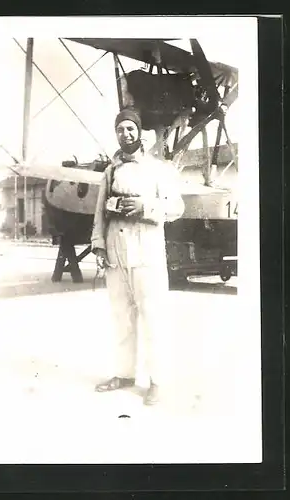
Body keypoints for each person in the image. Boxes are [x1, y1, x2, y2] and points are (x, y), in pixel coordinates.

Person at [91, 108, 185, 405]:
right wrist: (99, 245)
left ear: (139, 132)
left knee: (153, 318)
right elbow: (98, 213)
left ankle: (157, 381)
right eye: (121, 129)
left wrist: (145, 207)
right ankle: (124, 374)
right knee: (122, 317)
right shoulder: (110, 171)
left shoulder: (159, 169)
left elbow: (177, 208)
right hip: (116, 255)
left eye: (130, 129)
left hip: (146, 254)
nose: (125, 134)